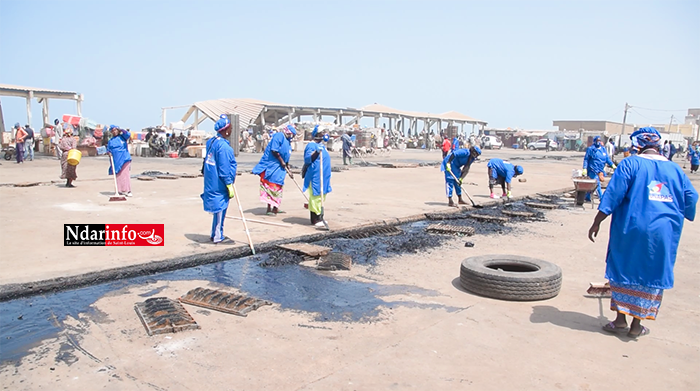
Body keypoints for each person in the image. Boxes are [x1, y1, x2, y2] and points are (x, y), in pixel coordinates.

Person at [588, 127, 698, 339]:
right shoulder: (676, 170)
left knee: (624, 268)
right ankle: (637, 325)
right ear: (658, 145)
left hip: (632, 226)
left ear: (637, 145)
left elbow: (614, 194)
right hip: (664, 230)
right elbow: (691, 198)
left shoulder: (631, 163)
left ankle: (620, 320)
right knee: (651, 272)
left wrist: (597, 221)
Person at [201, 115, 237, 244]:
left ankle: (215, 233)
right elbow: (224, 167)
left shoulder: (211, 142)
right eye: (231, 128)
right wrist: (228, 183)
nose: (231, 131)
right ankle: (217, 236)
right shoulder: (223, 147)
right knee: (220, 209)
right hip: (219, 182)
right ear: (226, 130)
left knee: (217, 210)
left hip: (211, 180)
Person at [252, 124, 295, 216]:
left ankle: (275, 207)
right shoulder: (279, 136)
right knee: (270, 185)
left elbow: (286, 155)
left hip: (280, 168)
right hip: (272, 165)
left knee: (278, 186)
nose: (292, 137)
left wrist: (288, 168)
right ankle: (269, 208)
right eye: (292, 135)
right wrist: (282, 162)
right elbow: (274, 150)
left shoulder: (288, 142)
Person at [303, 126, 332, 227]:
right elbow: (308, 159)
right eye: (322, 132)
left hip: (324, 176)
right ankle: (315, 219)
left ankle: (320, 217)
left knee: (321, 196)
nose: (325, 134)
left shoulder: (321, 145)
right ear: (318, 134)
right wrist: (316, 153)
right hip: (315, 176)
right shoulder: (311, 145)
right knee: (316, 196)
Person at [582, 136, 615, 201]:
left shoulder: (603, 149)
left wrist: (612, 165)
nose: (598, 142)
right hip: (592, 170)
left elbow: (607, 159)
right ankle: (602, 198)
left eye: (599, 140)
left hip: (600, 170)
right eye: (597, 140)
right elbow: (586, 159)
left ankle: (588, 196)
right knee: (597, 183)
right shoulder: (591, 149)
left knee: (593, 184)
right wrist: (584, 168)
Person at [107, 125, 133, 197]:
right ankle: (119, 191)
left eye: (115, 130)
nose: (114, 132)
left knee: (125, 175)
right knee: (118, 175)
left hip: (125, 158)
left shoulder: (123, 137)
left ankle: (128, 190)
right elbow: (108, 149)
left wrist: (122, 130)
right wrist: (109, 153)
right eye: (113, 131)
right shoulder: (111, 141)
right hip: (116, 161)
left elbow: (128, 134)